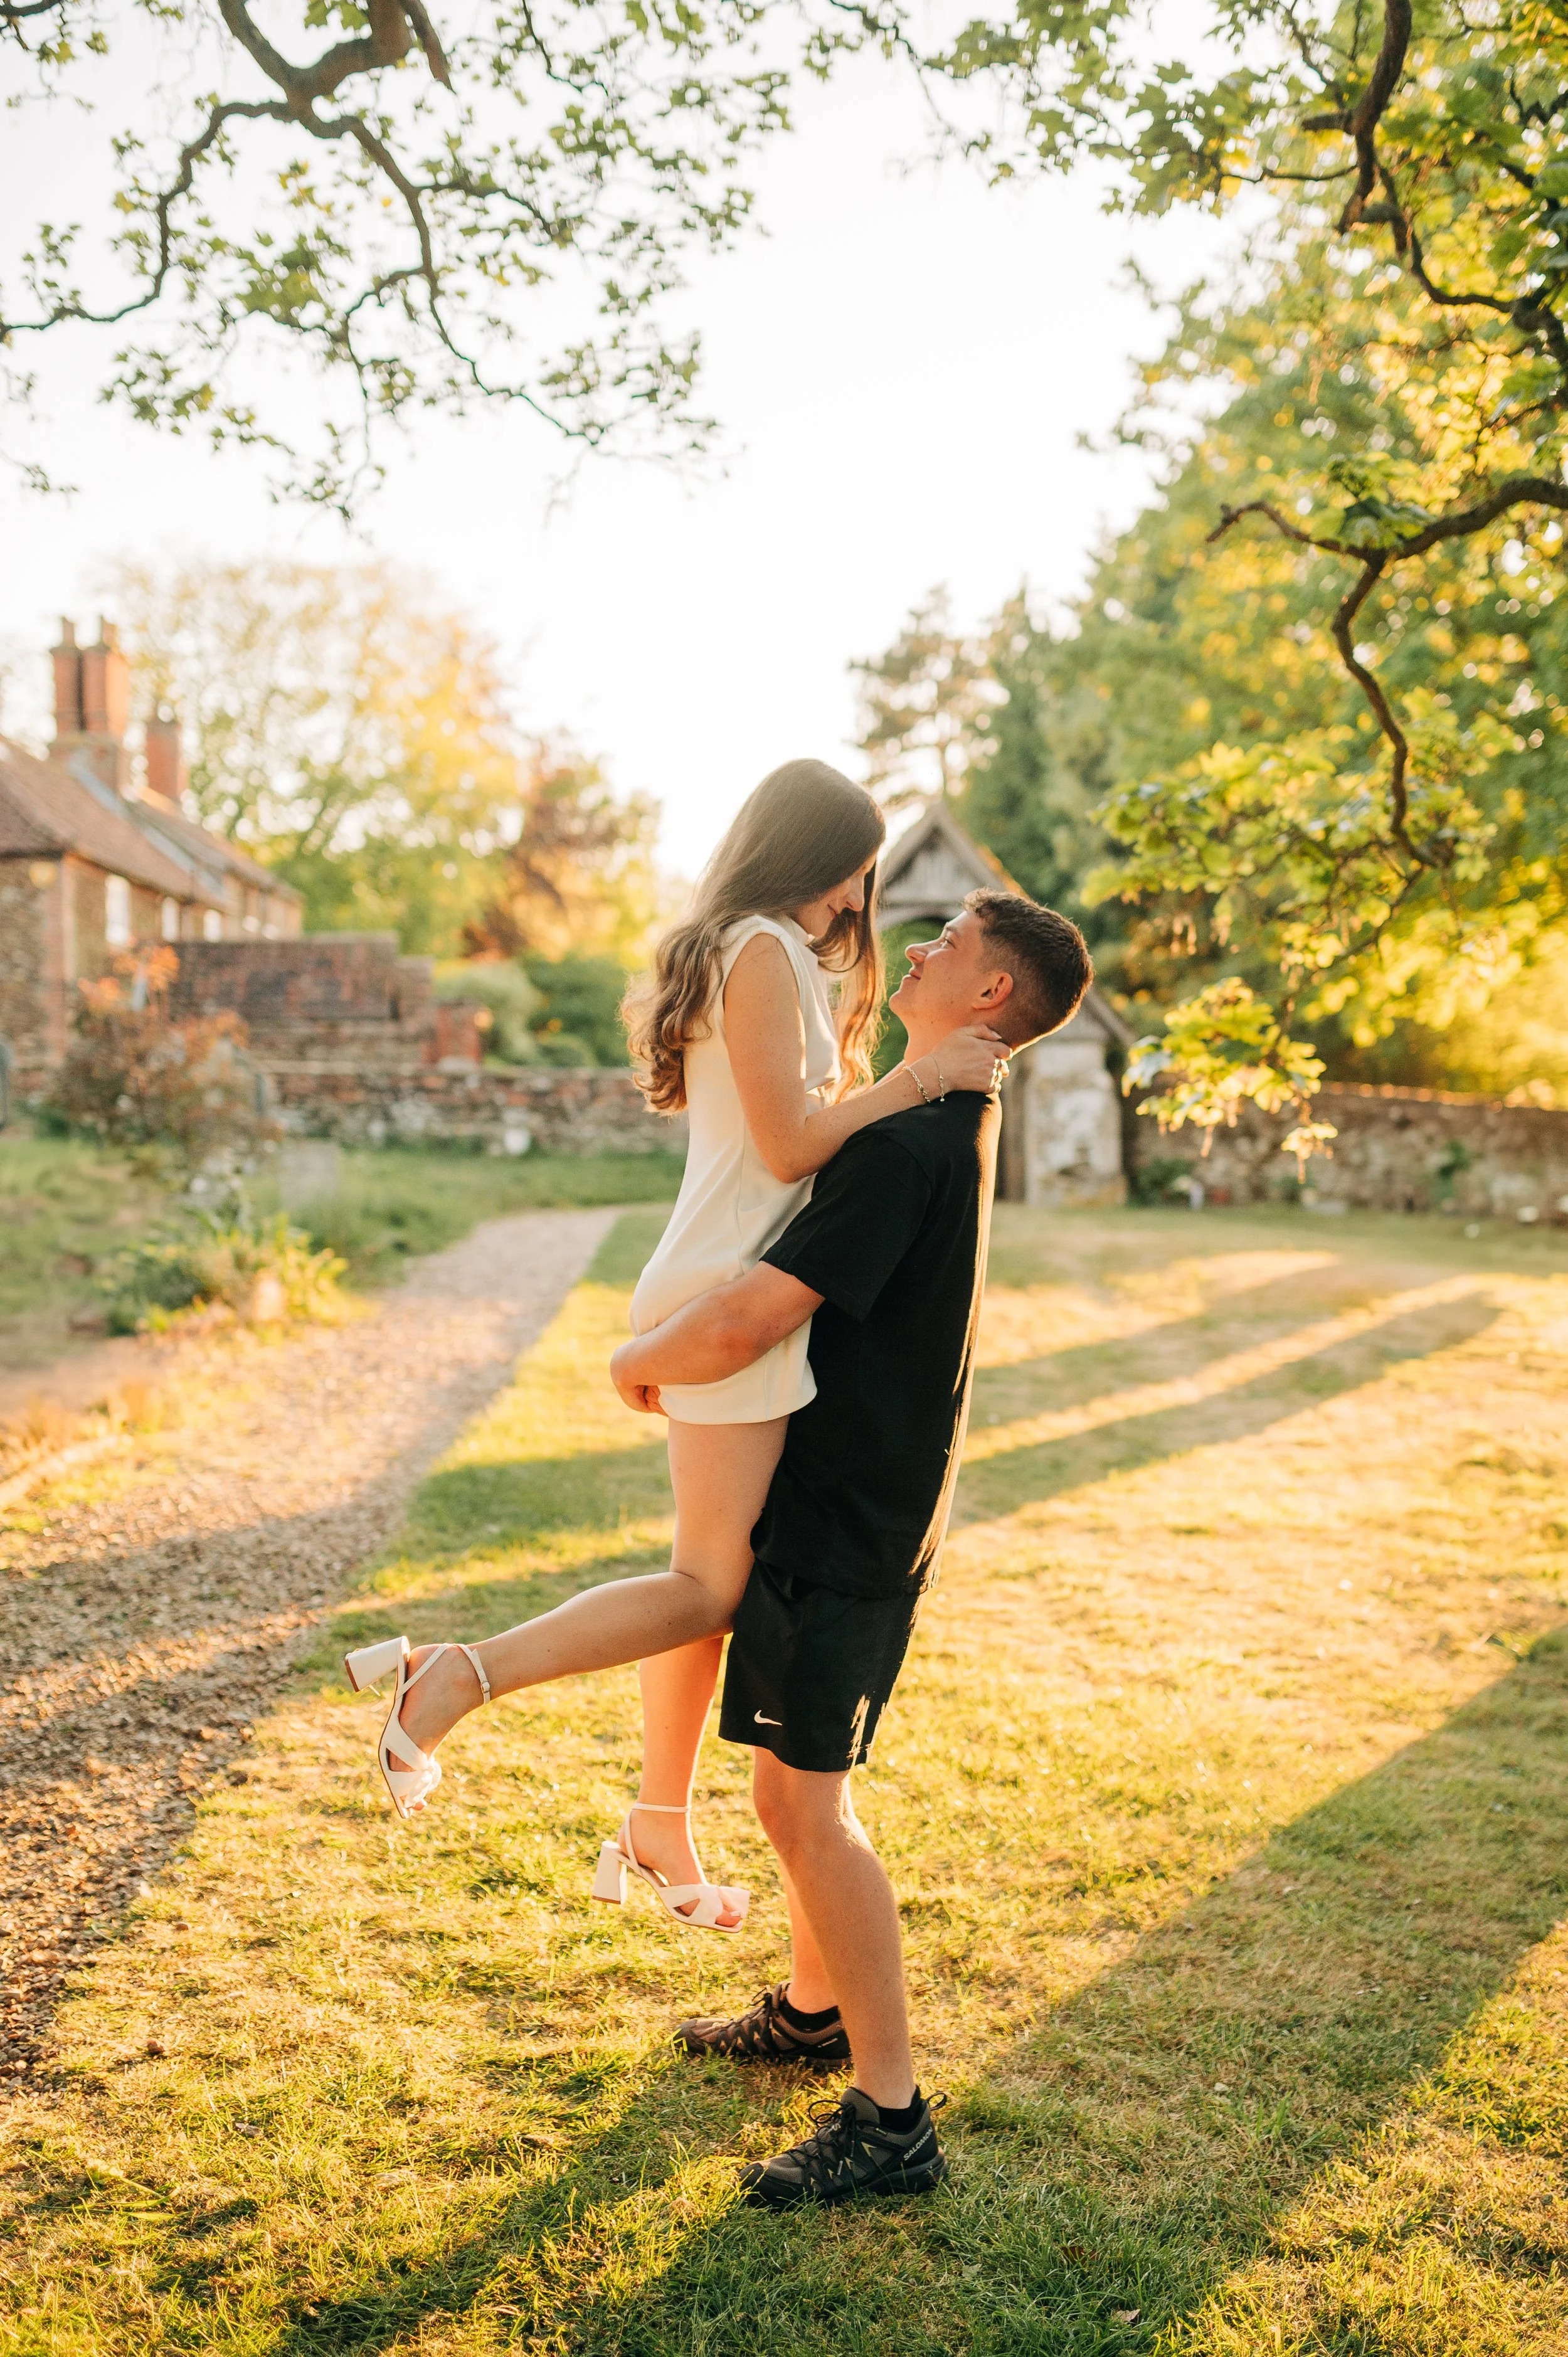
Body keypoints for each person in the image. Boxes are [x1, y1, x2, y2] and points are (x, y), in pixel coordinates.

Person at [342, 760, 1009, 1933]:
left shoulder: (759, 951)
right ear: (826, 860)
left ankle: (661, 1819)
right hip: (729, 1290)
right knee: (710, 1585)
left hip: (730, 1273)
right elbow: (795, 1143)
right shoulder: (758, 949)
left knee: (708, 1570)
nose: (867, 900)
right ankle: (454, 1678)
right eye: (863, 871)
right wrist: (917, 1078)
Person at [607, 889, 1092, 2207]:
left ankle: (889, 2118)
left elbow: (753, 1312)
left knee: (804, 1807)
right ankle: (812, 2019)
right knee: (785, 1788)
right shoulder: (942, 1114)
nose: (914, 950)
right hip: (858, 1502)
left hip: (849, 1523)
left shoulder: (909, 1143)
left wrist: (634, 1357)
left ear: (989, 997)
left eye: (947, 947)